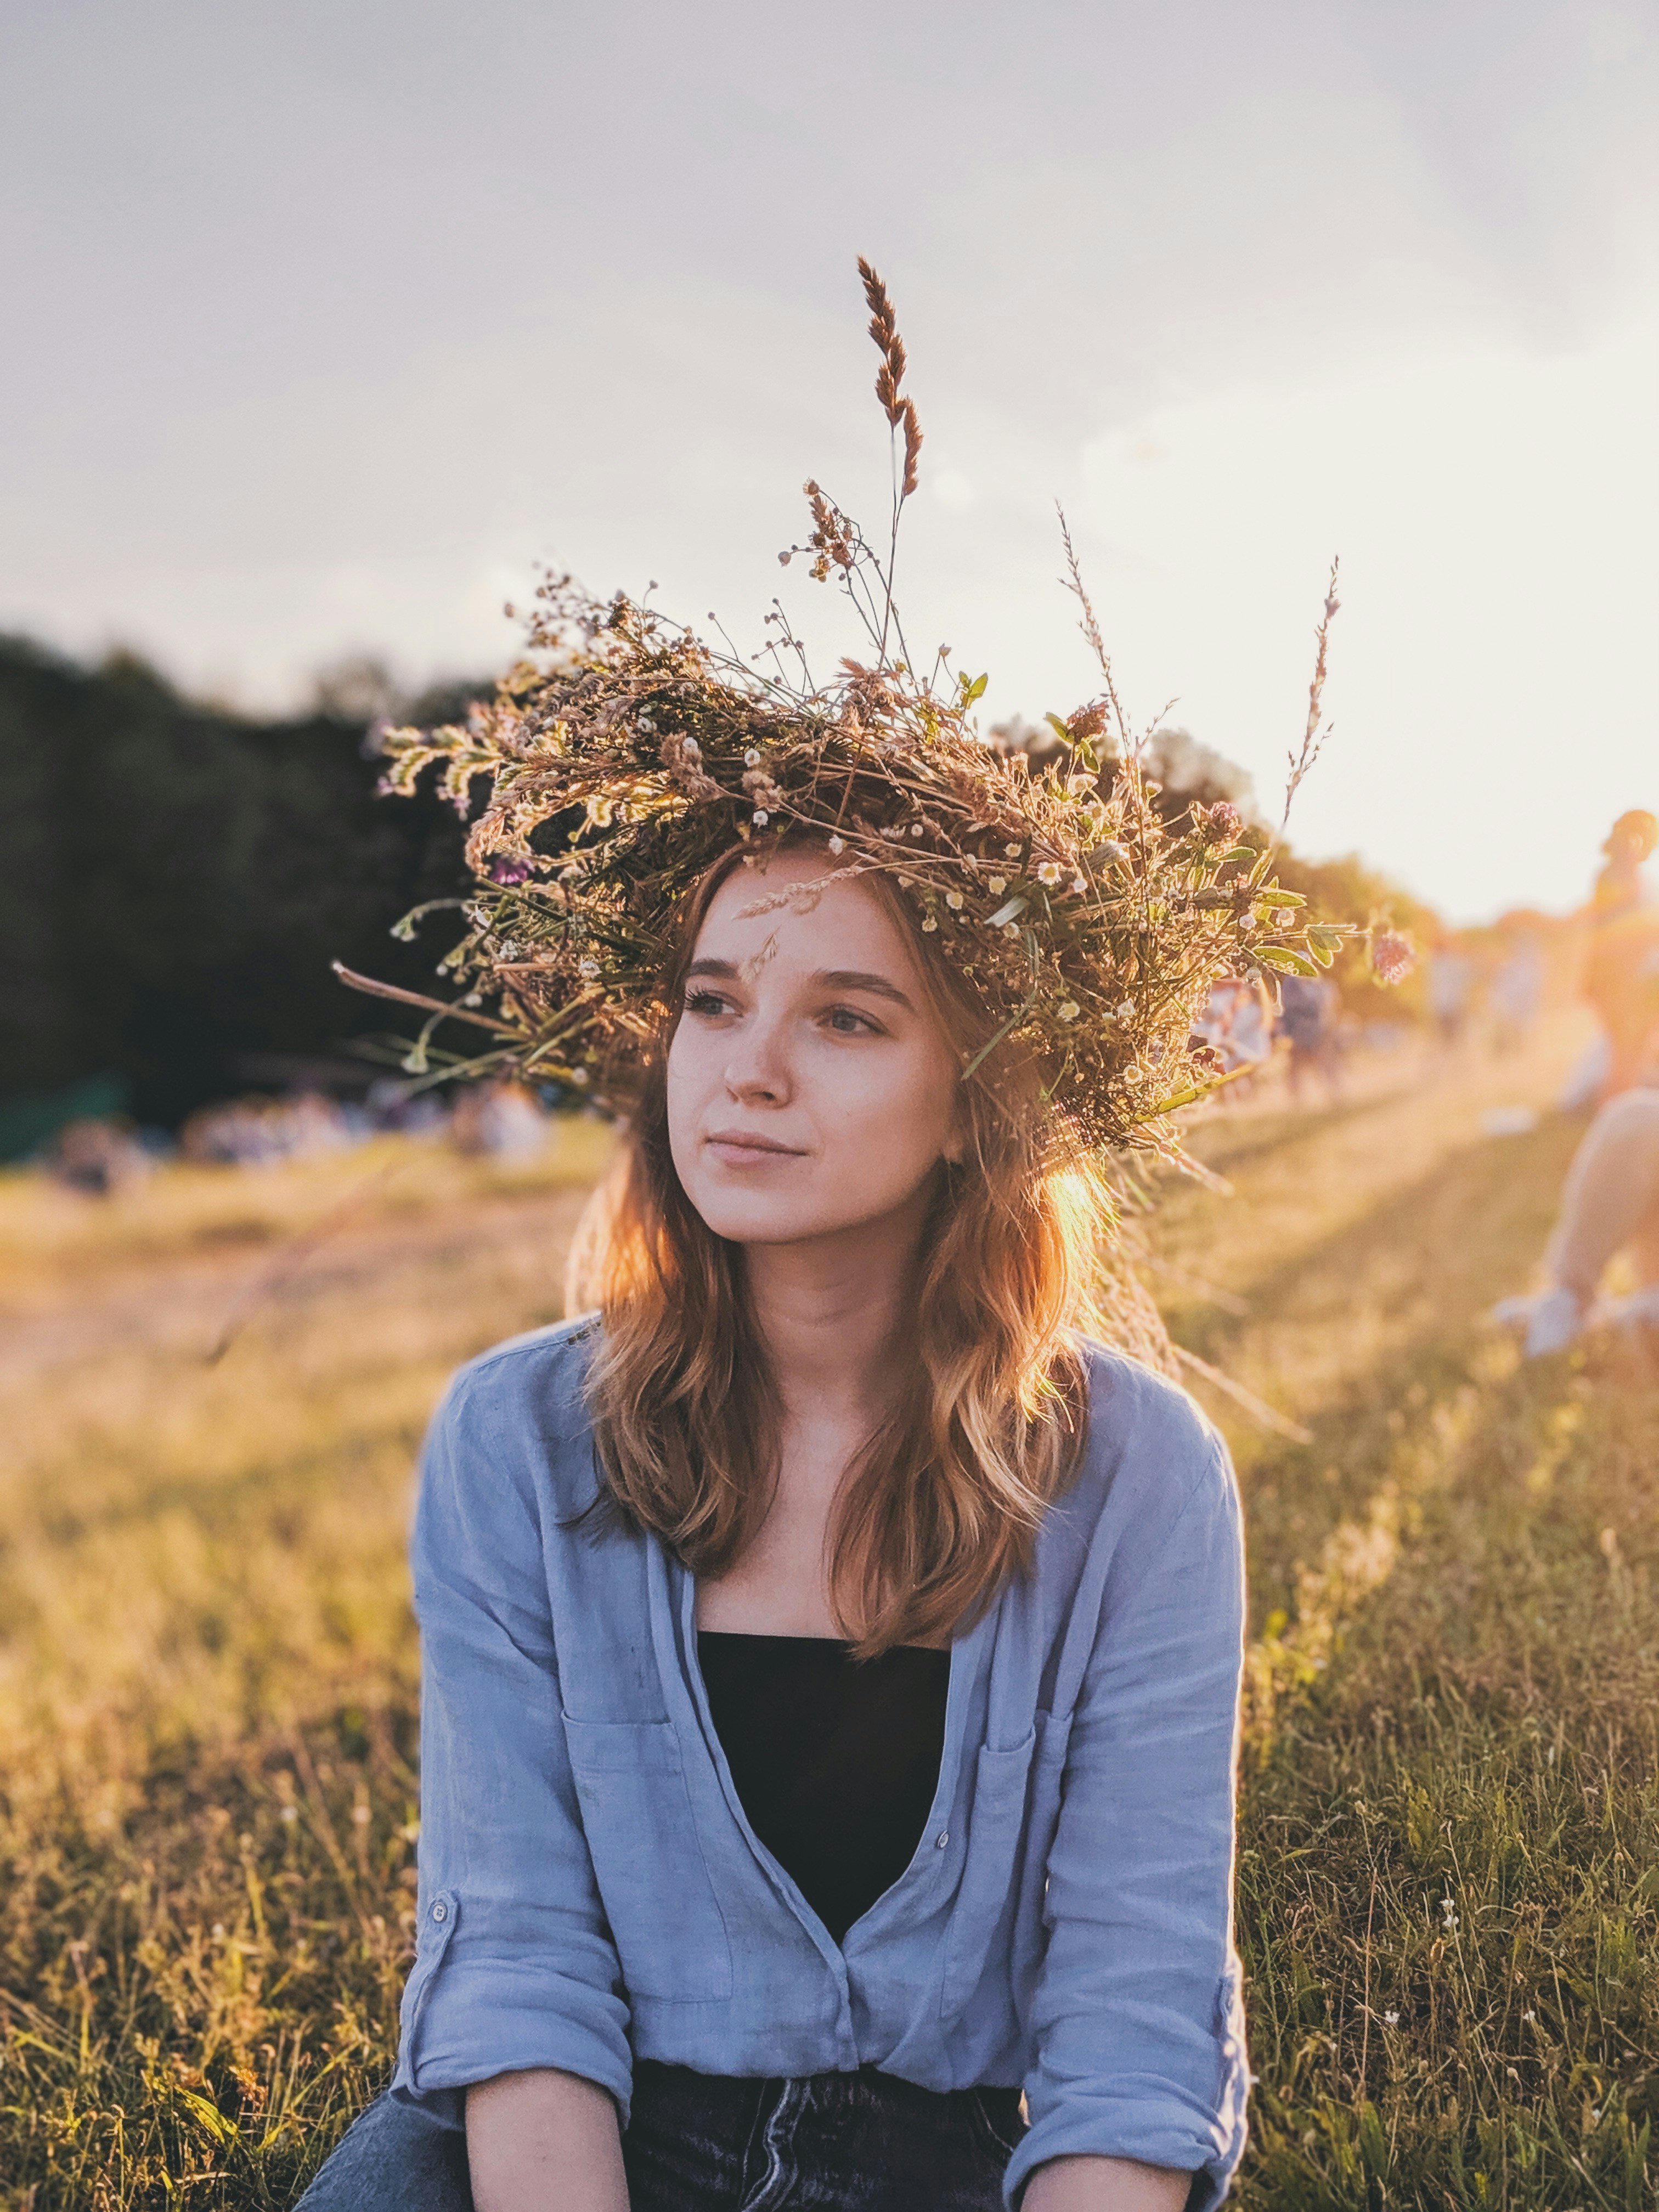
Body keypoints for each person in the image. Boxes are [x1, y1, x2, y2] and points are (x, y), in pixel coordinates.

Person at [301, 271, 1340, 2211]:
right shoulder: (515, 1445)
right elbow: (516, 1964)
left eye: (845, 1018)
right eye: (711, 1004)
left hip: (940, 2166)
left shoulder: (1135, 1479)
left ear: (977, 1097)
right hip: (540, 2148)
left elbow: (1129, 2023)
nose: (745, 1074)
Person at [1582, 810, 1659, 1099]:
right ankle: (1612, 1121)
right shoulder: (1621, 876)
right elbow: (1626, 932)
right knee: (1625, 1060)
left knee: (1631, 1056)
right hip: (1623, 981)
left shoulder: (1618, 875)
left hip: (1629, 979)